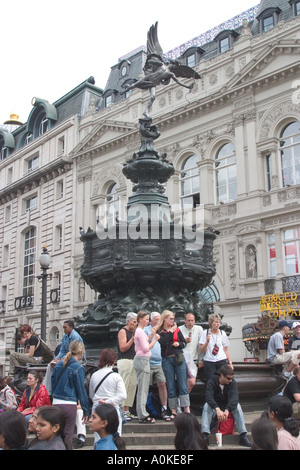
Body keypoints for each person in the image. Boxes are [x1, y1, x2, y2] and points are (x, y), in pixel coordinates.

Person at [51, 340, 90, 447]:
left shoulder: (58, 365)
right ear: (81, 351)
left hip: (56, 402)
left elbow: (53, 384)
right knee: (68, 434)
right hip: (69, 404)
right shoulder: (78, 367)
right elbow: (81, 390)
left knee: (56, 434)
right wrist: (86, 410)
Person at [201, 364, 251, 447]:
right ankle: (205, 436)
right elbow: (208, 397)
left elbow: (234, 399)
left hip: (227, 408)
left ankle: (243, 436)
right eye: (228, 378)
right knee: (207, 406)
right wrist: (217, 409)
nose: (230, 380)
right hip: (215, 408)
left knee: (237, 406)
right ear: (221, 375)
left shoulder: (232, 383)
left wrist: (227, 410)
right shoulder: (212, 381)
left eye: (232, 378)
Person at [157, 310, 190, 416]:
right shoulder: (160, 331)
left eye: (173, 319)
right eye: (170, 319)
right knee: (170, 385)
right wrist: (171, 331)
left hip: (178, 358)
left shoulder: (177, 330)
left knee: (183, 385)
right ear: (165, 319)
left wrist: (178, 344)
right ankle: (173, 409)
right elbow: (163, 342)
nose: (172, 321)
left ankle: (187, 408)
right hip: (167, 359)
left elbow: (184, 343)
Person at [89, 348, 126, 436]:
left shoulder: (94, 375)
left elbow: (91, 395)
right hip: (112, 410)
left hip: (97, 409)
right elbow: (123, 395)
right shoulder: (116, 376)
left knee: (98, 438)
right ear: (113, 360)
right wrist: (108, 401)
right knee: (115, 437)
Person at [43, 320, 85, 395]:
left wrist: (61, 360)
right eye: (63, 327)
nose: (64, 329)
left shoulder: (75, 336)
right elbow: (62, 351)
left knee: (58, 366)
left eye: (65, 327)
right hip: (67, 358)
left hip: (77, 359)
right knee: (50, 365)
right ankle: (47, 389)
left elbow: (74, 352)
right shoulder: (65, 336)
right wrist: (56, 359)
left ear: (71, 327)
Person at [133, 310, 160, 423]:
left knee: (143, 388)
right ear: (140, 320)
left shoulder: (140, 331)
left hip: (141, 359)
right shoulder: (140, 331)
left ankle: (142, 413)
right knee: (143, 389)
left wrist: (152, 335)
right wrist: (155, 340)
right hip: (143, 359)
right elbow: (145, 348)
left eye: (148, 319)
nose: (148, 321)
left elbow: (144, 342)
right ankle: (142, 414)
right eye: (146, 319)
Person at [144, 311, 171, 420]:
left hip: (160, 363)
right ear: (151, 320)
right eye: (156, 319)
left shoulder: (162, 330)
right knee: (146, 386)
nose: (158, 321)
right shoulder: (146, 330)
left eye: (160, 319)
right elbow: (145, 343)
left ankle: (164, 408)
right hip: (148, 362)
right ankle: (146, 409)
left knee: (162, 383)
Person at [116, 312, 137, 421]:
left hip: (133, 360)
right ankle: (121, 410)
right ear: (128, 321)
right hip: (125, 361)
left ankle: (127, 410)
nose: (135, 324)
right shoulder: (123, 331)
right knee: (124, 385)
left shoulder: (134, 332)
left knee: (132, 385)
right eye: (134, 322)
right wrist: (133, 338)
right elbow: (123, 348)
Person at [199, 312, 232, 381]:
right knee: (211, 381)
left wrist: (230, 363)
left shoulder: (222, 333)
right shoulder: (205, 333)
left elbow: (226, 349)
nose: (218, 324)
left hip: (221, 360)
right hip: (209, 361)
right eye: (216, 322)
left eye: (219, 322)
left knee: (222, 380)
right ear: (211, 323)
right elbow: (201, 349)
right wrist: (207, 342)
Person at [179, 313, 203, 393]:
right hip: (181, 359)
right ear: (185, 321)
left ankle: (183, 400)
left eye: (192, 320)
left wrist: (201, 360)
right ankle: (183, 402)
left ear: (194, 321)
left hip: (193, 360)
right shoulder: (179, 329)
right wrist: (184, 341)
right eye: (188, 320)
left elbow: (200, 346)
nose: (190, 322)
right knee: (181, 382)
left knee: (191, 382)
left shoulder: (199, 329)